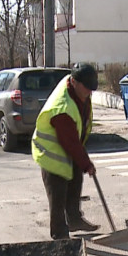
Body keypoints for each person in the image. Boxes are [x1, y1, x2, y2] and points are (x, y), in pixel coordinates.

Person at [31, 63, 101, 240]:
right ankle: (60, 235)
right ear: (75, 82)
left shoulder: (77, 89)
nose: (89, 93)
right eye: (87, 88)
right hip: (51, 154)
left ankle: (75, 219)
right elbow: (69, 142)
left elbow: (74, 140)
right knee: (58, 196)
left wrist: (82, 163)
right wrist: (86, 164)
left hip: (69, 147)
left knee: (75, 183)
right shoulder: (62, 107)